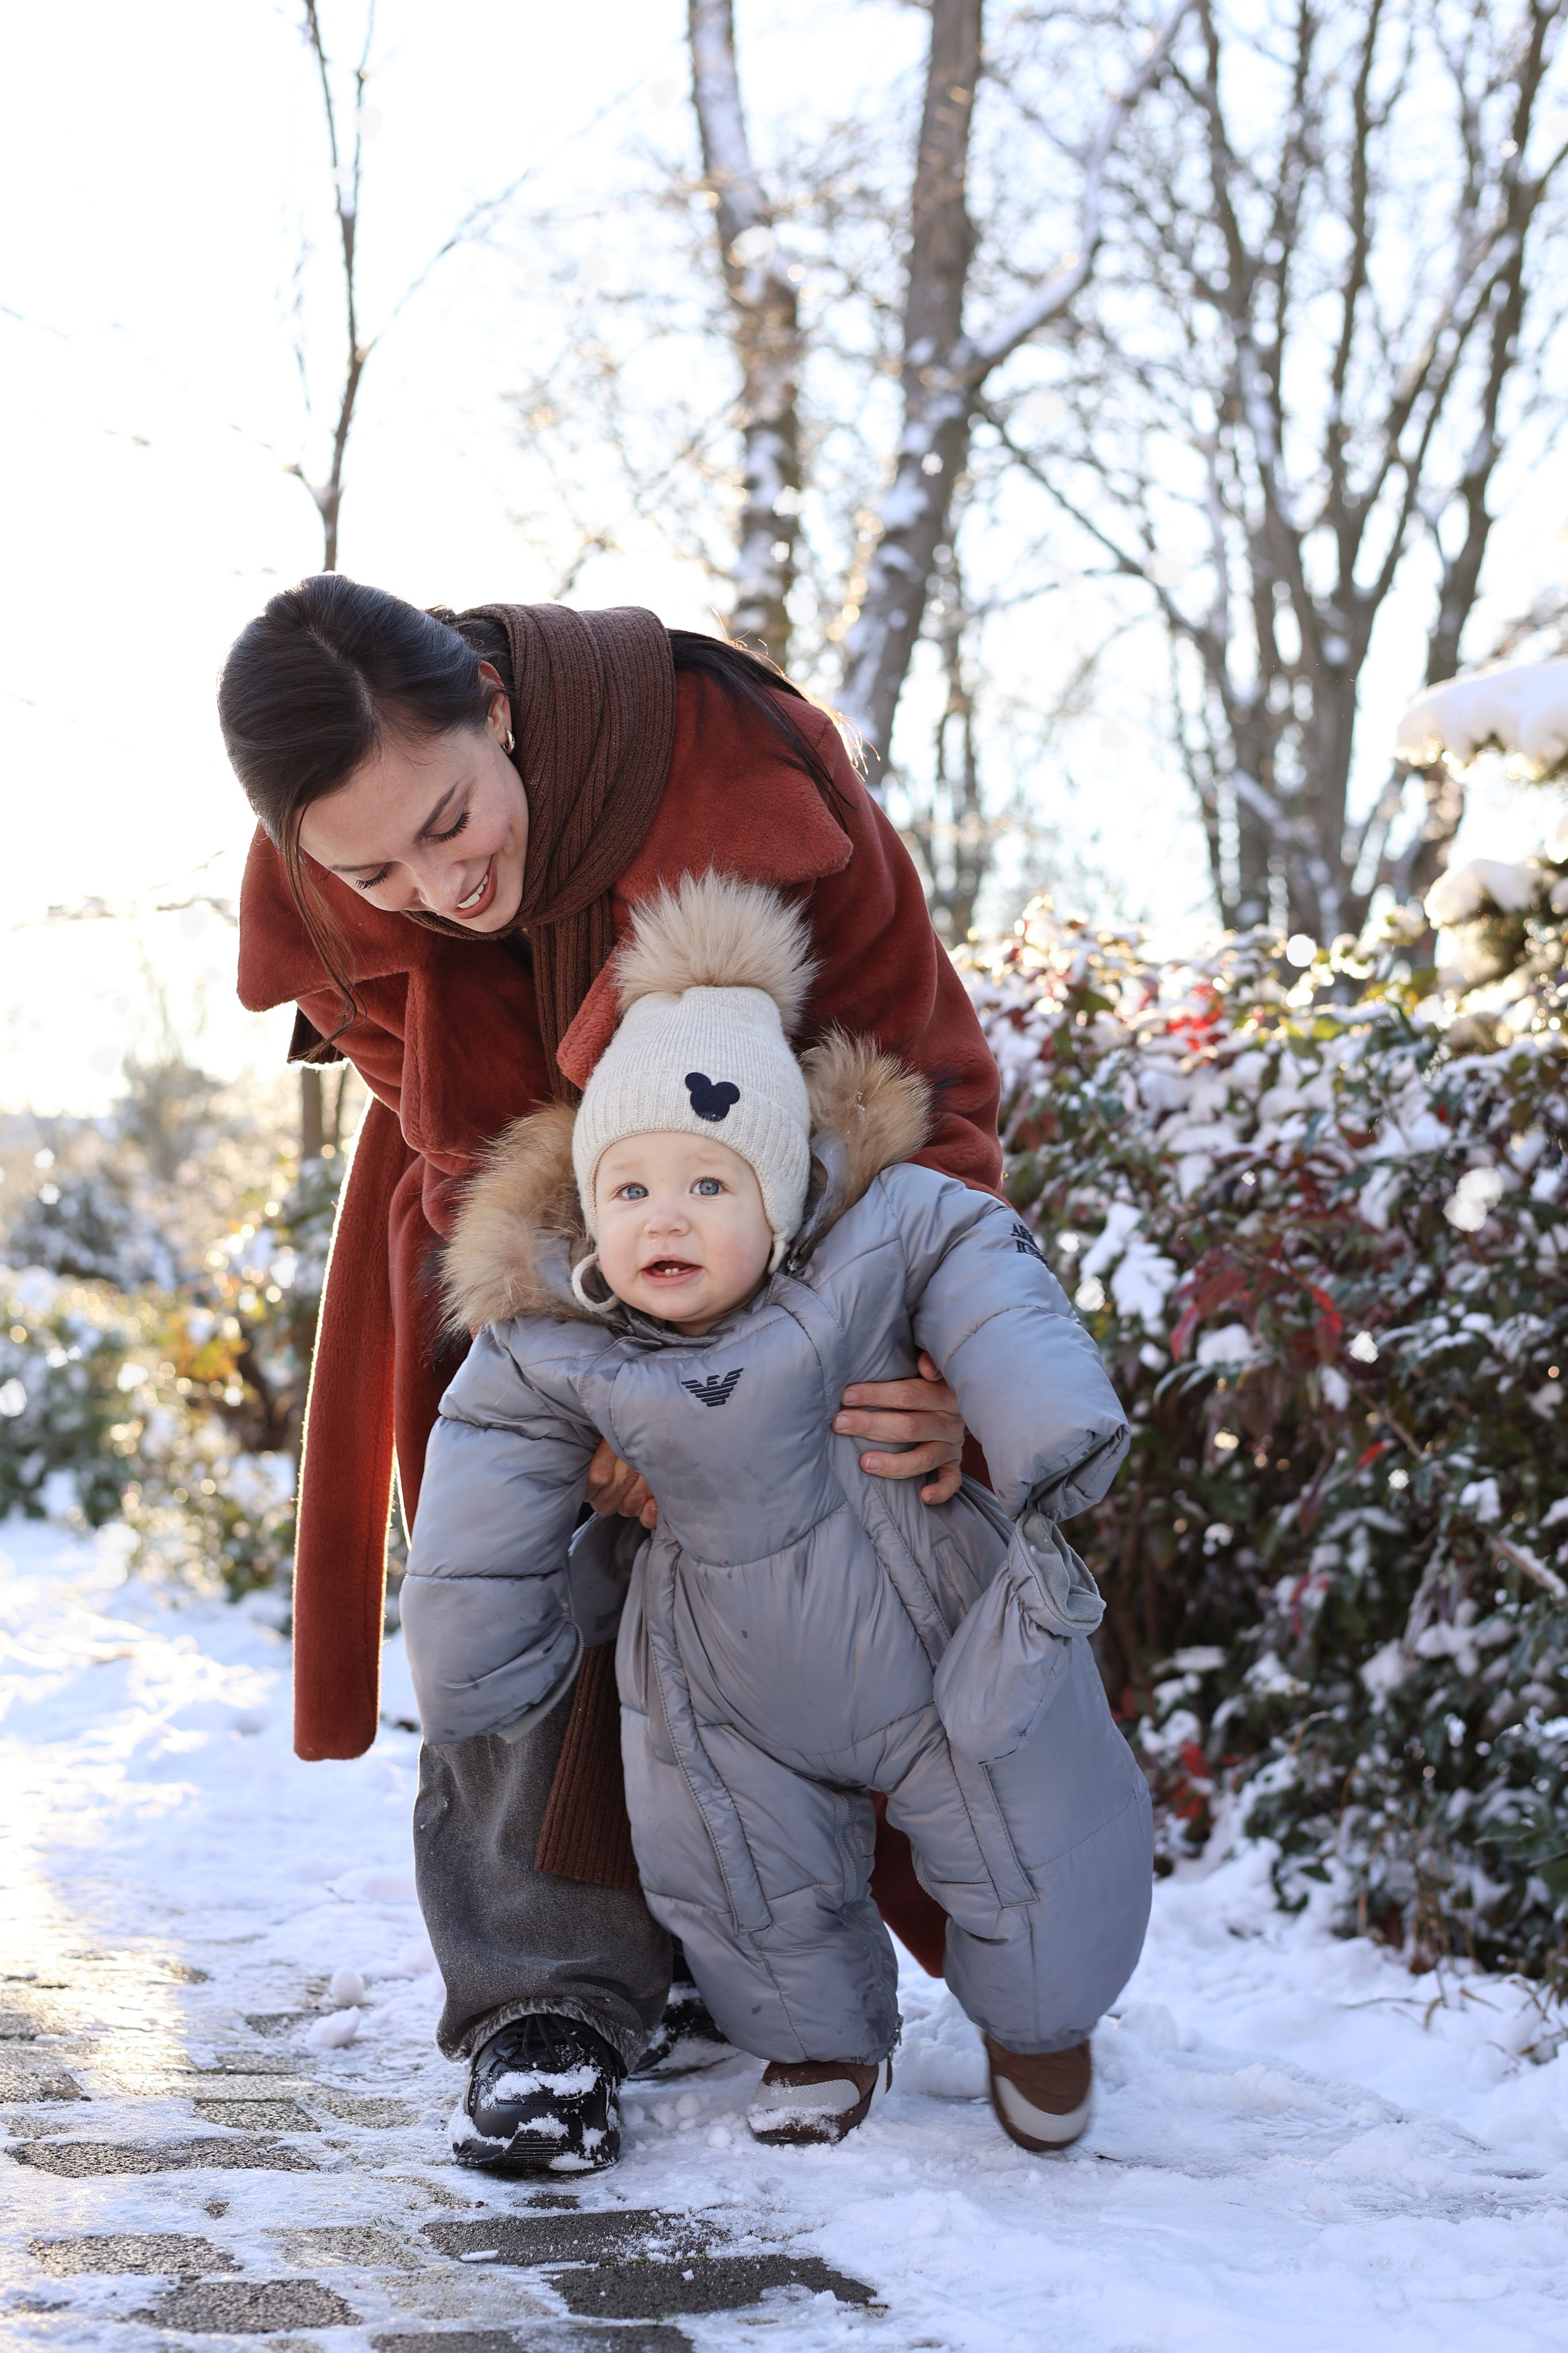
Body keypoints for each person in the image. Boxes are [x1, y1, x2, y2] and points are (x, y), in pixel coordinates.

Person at [219, 578, 1010, 2169]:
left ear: (498, 712)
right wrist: (591, 1373)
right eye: (375, 867)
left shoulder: (740, 765)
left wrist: (928, 1350)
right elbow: (426, 1092)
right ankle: (541, 2010)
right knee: (504, 1554)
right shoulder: (334, 880)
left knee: (783, 1574)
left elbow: (927, 1081)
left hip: (801, 1232)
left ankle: (738, 1944)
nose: (435, 887)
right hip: (508, 1220)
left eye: (450, 821)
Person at [405, 874, 1152, 2167]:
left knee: (1020, 1822)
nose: (664, 1218)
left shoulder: (882, 1233)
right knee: (737, 1860)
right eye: (628, 1191)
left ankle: (1042, 2022)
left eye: (707, 1181)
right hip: (714, 1667)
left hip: (920, 1622)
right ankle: (816, 2035)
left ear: (783, 1188)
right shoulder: (561, 1341)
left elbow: (991, 1281)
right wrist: (475, 1652)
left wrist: (1041, 1429)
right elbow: (486, 1464)